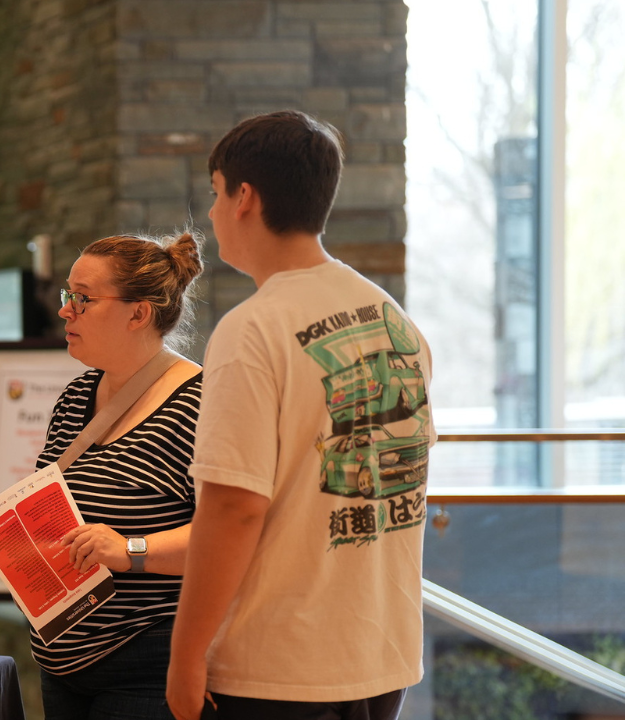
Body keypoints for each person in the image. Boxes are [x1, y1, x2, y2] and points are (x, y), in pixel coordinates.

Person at [166, 111, 434, 720]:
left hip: (279, 669)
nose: (210, 214)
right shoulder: (393, 317)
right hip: (379, 653)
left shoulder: (252, 330)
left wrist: (185, 655)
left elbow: (234, 507)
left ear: (244, 197)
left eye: (214, 194)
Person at [34, 231, 205, 720]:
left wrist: (131, 550)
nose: (66, 311)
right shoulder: (75, 397)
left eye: (83, 300)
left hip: (147, 663)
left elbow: (233, 536)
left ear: (139, 313)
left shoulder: (199, 404)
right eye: (68, 296)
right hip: (61, 662)